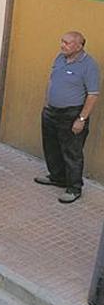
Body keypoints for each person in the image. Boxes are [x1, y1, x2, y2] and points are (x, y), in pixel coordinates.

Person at [35, 31, 99, 203]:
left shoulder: (89, 65)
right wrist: (46, 102)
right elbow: (52, 80)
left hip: (72, 114)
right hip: (51, 111)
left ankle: (74, 188)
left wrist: (82, 119)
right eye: (62, 41)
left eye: (67, 43)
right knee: (51, 147)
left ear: (79, 46)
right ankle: (57, 177)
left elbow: (92, 95)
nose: (62, 45)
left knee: (72, 152)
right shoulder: (60, 58)